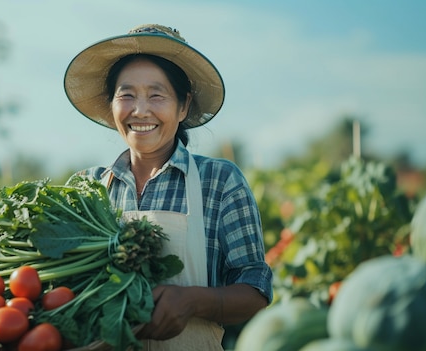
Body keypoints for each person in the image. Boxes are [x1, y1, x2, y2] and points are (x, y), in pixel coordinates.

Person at [64, 24, 273, 350]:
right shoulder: (87, 188)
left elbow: (254, 290)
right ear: (112, 105)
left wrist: (192, 301)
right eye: (127, 94)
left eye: (157, 95)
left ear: (183, 106)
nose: (140, 110)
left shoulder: (219, 182)